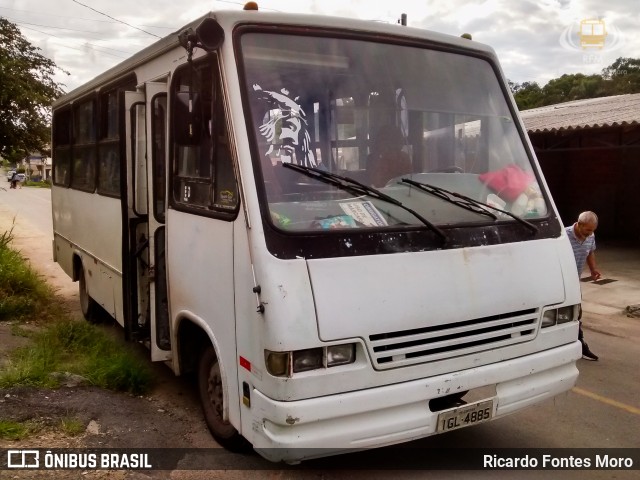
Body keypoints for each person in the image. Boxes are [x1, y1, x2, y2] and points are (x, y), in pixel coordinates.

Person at [565, 211, 601, 361]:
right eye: (587, 230)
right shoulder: (564, 236)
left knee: (576, 314)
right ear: (578, 225)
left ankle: (578, 344)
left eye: (592, 230)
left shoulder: (590, 236)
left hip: (575, 282)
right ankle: (578, 344)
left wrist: (593, 269)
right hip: (561, 281)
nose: (590, 233)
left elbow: (590, 252)